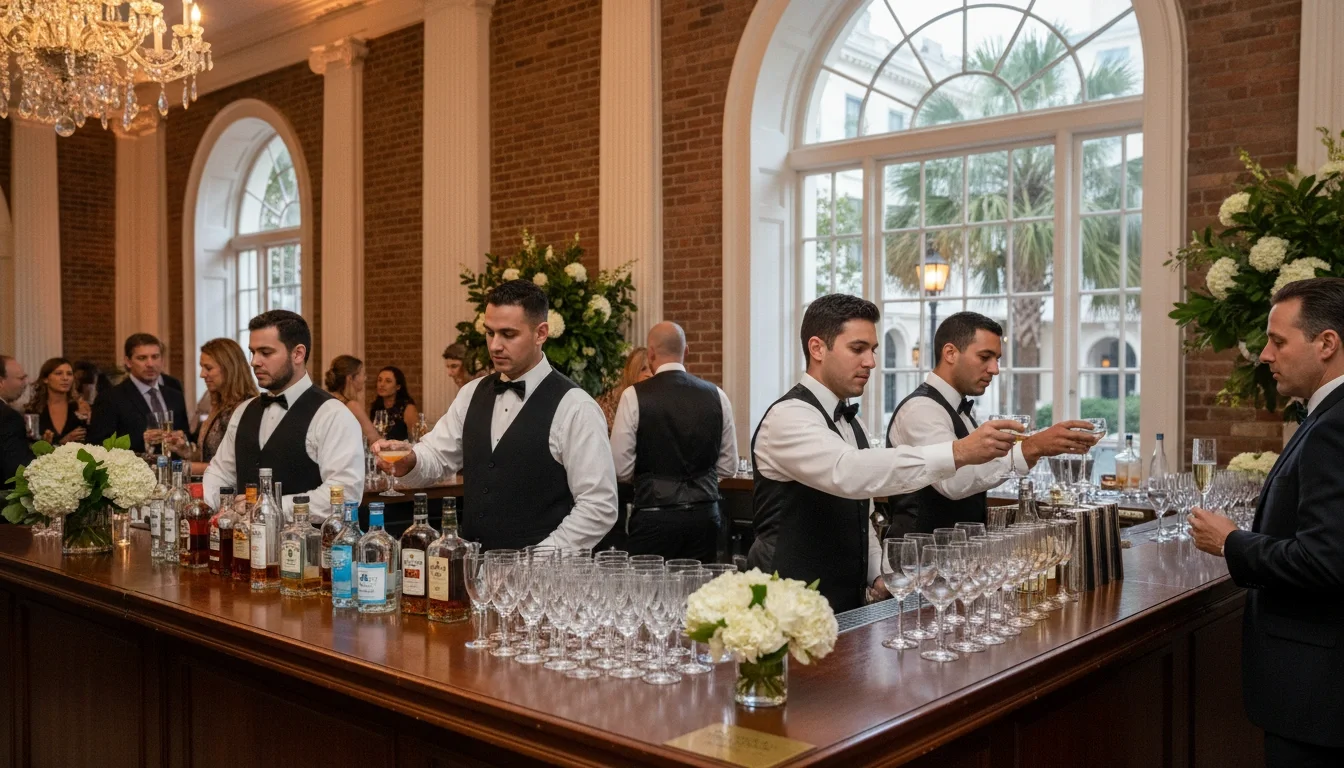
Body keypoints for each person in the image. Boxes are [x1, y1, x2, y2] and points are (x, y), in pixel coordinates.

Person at [747, 294, 1019, 613]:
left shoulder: (853, 421)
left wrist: (877, 573)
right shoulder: (788, 416)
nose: (871, 362)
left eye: (873, 350)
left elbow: (862, 512)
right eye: (858, 349)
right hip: (785, 605)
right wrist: (958, 451)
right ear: (817, 348)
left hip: (846, 606)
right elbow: (849, 472)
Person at [1189, 277, 1344, 767]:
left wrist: (1231, 542)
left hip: (1317, 696)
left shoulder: (1333, 427)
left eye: (1278, 341)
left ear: (1326, 343)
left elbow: (1324, 561)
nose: (1264, 355)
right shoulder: (1325, 416)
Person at [376, 279, 617, 551]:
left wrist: (539, 559)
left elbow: (599, 506)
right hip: (476, 567)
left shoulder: (575, 407)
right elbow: (437, 456)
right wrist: (409, 461)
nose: (494, 346)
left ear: (541, 333)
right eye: (490, 333)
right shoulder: (471, 394)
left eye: (508, 334)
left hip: (543, 573)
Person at [887, 312, 1099, 535]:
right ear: (950, 353)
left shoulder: (958, 409)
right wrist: (1032, 447)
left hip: (958, 551)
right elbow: (953, 483)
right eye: (984, 357)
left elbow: (976, 473)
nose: (994, 369)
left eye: (996, 359)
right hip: (918, 554)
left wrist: (1033, 447)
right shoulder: (920, 409)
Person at [203, 310, 365, 523]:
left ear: (298, 354)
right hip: (244, 540)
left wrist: (269, 507)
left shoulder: (332, 415)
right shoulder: (244, 411)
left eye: (266, 353)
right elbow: (219, 473)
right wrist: (220, 506)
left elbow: (345, 494)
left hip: (308, 541)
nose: (254, 362)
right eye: (253, 352)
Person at [610, 322, 736, 562]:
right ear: (686, 351)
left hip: (654, 515)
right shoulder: (717, 395)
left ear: (651, 353)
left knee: (648, 584)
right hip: (705, 515)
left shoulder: (634, 395)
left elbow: (620, 468)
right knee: (699, 584)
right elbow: (728, 466)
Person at [166, 338, 258, 476]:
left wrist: (186, 468)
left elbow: (240, 465)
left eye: (208, 368)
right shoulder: (219, 403)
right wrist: (186, 451)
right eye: (202, 367)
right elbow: (211, 455)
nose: (202, 374)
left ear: (229, 369)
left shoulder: (247, 408)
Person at [88, 334, 190, 454]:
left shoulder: (175, 396)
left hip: (174, 465)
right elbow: (98, 446)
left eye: (155, 357)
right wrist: (143, 441)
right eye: (142, 358)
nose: (150, 364)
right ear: (128, 362)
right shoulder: (110, 398)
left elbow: (186, 436)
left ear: (162, 360)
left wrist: (183, 440)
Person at [27, 358, 91, 446]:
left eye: (69, 374)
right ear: (46, 379)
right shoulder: (34, 410)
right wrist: (59, 443)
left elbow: (91, 440)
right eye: (58, 373)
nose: (65, 378)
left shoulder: (79, 408)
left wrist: (89, 420)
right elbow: (29, 445)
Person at [323, 355, 382, 445]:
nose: (365, 378)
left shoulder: (326, 400)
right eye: (362, 374)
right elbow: (375, 439)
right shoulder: (352, 406)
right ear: (350, 378)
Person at [597, 346, 652, 430]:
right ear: (632, 372)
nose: (649, 374)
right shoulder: (610, 402)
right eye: (643, 369)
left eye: (652, 369)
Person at [370, 366, 419, 441]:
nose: (382, 384)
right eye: (379, 380)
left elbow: (416, 438)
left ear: (398, 387)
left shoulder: (407, 407)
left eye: (388, 381)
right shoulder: (376, 407)